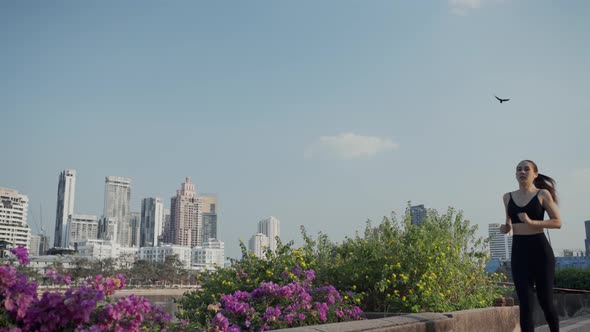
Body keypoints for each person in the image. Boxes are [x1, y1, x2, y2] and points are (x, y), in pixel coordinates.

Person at [500, 160, 562, 332]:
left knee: (546, 302)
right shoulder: (507, 197)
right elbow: (509, 224)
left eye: (526, 169)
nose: (522, 172)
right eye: (518, 169)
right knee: (525, 305)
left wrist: (531, 221)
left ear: (535, 174)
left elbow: (558, 222)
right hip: (519, 252)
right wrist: (505, 228)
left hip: (540, 251)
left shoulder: (542, 194)